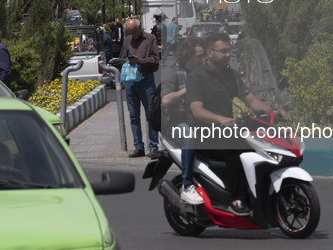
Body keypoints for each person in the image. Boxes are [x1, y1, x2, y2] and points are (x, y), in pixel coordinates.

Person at [186, 32, 282, 216]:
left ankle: (261, 196)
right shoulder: (196, 77)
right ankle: (236, 199)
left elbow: (251, 100)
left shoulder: (231, 74)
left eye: (229, 51)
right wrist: (220, 119)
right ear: (210, 53)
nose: (228, 55)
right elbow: (197, 110)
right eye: (223, 51)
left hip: (229, 130)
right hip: (205, 133)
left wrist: (272, 113)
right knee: (236, 149)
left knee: (261, 147)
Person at [162, 37, 206, 205]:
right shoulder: (173, 72)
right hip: (176, 122)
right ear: (188, 56)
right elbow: (165, 100)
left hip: (198, 119)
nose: (203, 60)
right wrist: (187, 90)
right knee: (189, 136)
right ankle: (187, 186)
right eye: (200, 56)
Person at [119, 18, 160, 158]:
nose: (133, 34)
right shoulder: (127, 40)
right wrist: (126, 61)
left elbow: (155, 60)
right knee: (133, 115)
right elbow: (122, 57)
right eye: (130, 32)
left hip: (145, 79)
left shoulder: (150, 39)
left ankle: (153, 146)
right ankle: (138, 146)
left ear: (140, 28)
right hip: (131, 81)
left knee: (151, 114)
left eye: (134, 31)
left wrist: (140, 61)